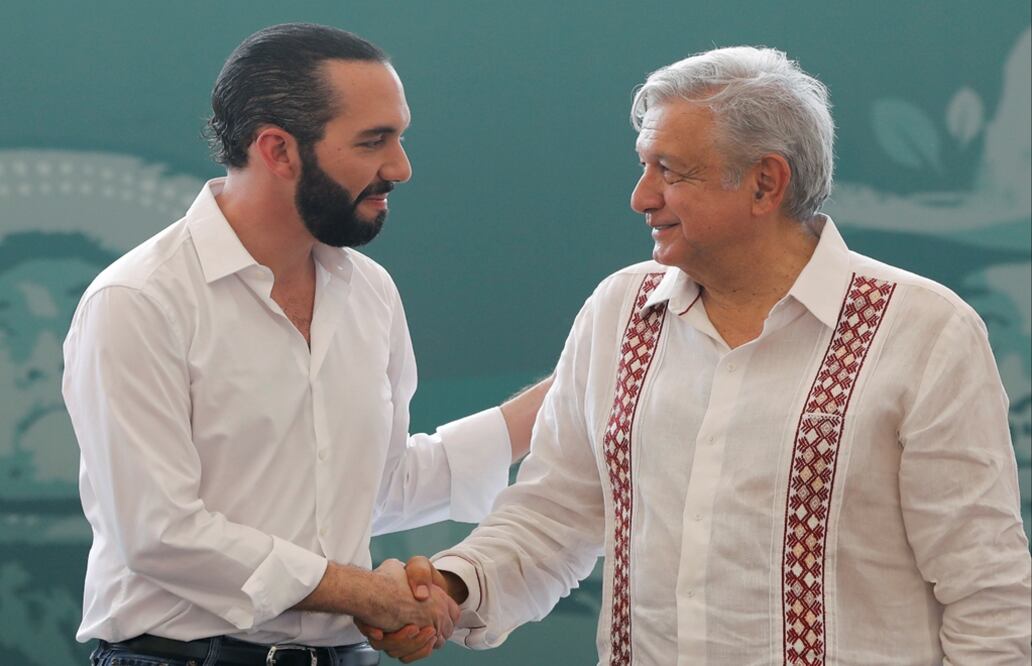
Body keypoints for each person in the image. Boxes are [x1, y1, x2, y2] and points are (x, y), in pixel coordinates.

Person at [366, 46, 1032, 664]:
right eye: (643, 165)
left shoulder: (925, 331)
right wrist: (455, 588)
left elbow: (987, 590)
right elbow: (555, 514)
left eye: (669, 170)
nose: (641, 197)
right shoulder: (618, 310)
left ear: (766, 184)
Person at [62, 23, 549, 666]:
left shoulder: (369, 290)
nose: (400, 167)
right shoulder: (136, 301)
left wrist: (580, 389)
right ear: (278, 150)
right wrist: (365, 593)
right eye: (374, 141)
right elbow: (159, 534)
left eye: (399, 137)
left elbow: (374, 489)